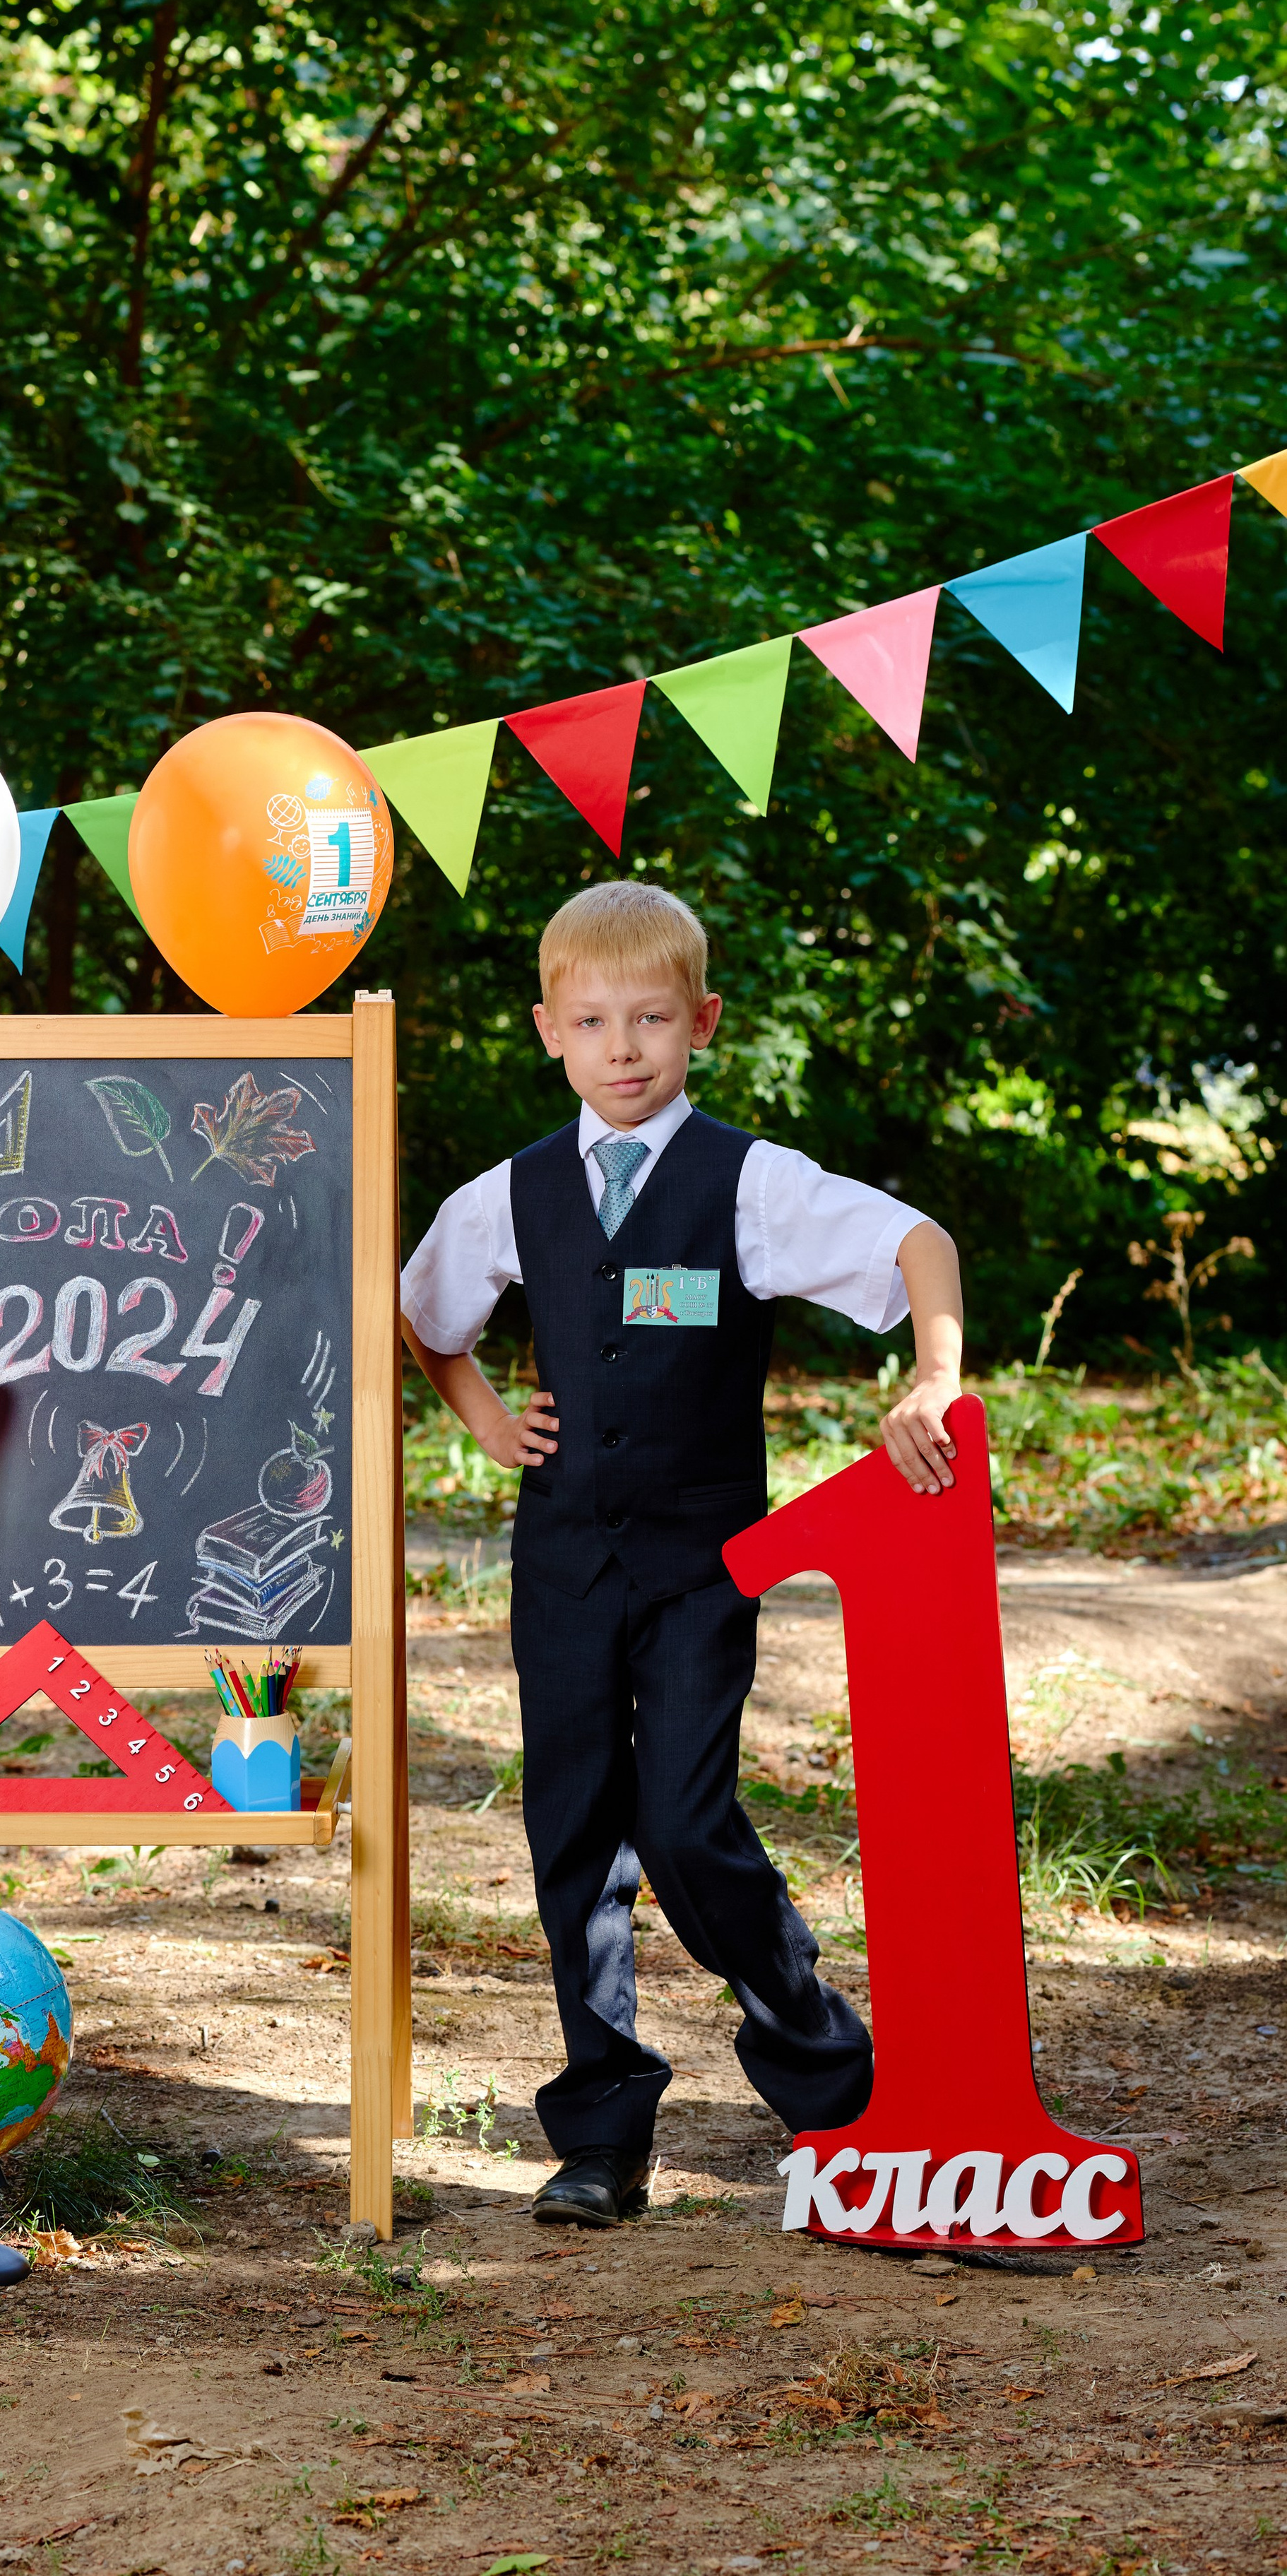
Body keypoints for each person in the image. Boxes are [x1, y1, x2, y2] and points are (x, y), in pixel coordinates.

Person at [399, 879, 964, 2228]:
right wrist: (486, 1420)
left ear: (702, 1021)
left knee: (684, 1821)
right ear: (550, 1030)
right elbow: (424, 1311)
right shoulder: (515, 1192)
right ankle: (603, 2131)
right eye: (594, 1021)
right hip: (565, 1563)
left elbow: (917, 1242)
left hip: (705, 1559)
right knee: (573, 1828)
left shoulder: (750, 1185)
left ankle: (828, 2069)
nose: (625, 1047)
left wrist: (933, 1377)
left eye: (653, 1017)